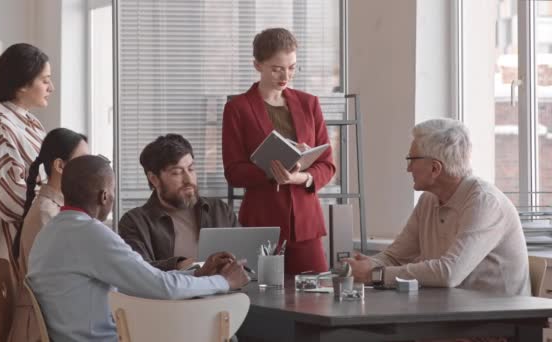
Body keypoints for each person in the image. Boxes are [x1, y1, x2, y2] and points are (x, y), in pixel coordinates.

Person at [28, 155, 249, 341]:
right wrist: (224, 282)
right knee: (219, 329)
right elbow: (161, 287)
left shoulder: (51, 232)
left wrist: (197, 273)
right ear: (104, 196)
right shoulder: (89, 234)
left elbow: (140, 279)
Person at [347, 118, 530, 296]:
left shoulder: (484, 202)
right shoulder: (428, 199)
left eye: (411, 159)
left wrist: (375, 275)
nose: (408, 168)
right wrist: (364, 265)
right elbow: (396, 256)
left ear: (435, 168)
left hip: (499, 320)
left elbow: (449, 273)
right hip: (451, 313)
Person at [222, 28, 335, 274]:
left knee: (314, 298)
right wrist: (272, 172)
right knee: (264, 303)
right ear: (257, 65)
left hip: (306, 223)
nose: (285, 76)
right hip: (262, 221)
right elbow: (233, 171)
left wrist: (302, 177)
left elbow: (327, 165)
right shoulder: (237, 108)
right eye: (276, 68)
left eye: (292, 67)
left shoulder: (309, 103)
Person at [0, 43, 54, 309]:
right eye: (45, 81)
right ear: (22, 85)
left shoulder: (28, 122)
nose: (51, 88)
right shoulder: (1, 126)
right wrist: (54, 195)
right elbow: (11, 199)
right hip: (18, 261)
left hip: (34, 256)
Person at [7, 128, 88, 342]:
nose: (90, 170)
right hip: (42, 330)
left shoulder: (58, 210)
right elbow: (56, 286)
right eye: (83, 162)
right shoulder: (48, 215)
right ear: (60, 166)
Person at [119, 134, 239, 271]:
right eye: (177, 172)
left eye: (191, 169)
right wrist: (182, 265)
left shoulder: (220, 210)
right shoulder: (135, 222)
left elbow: (244, 253)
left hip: (227, 290)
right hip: (174, 292)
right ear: (154, 179)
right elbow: (138, 270)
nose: (188, 179)